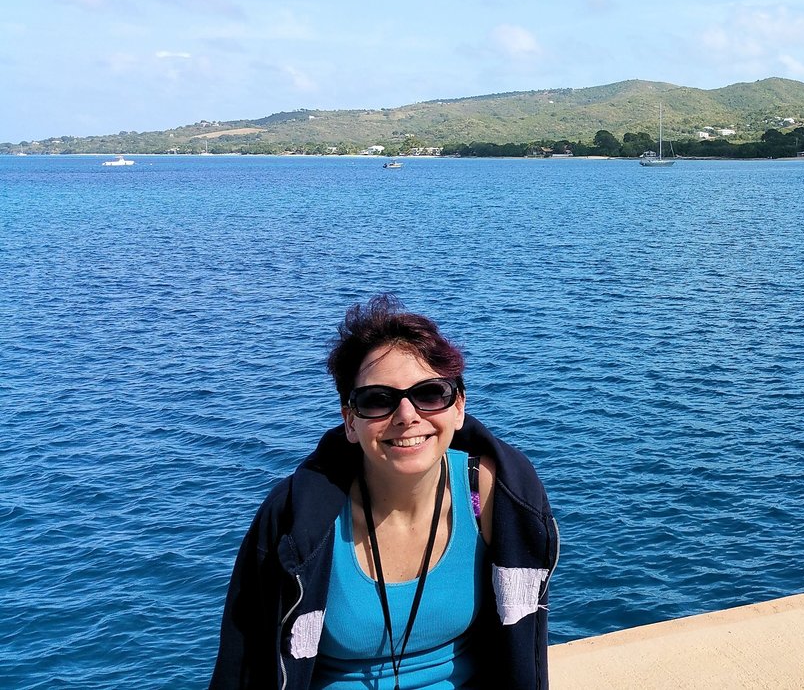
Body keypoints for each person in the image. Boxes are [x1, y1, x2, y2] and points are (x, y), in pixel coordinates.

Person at [211, 295, 558, 690]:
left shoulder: (495, 497)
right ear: (349, 421)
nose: (407, 416)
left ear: (458, 407)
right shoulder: (297, 521)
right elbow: (244, 665)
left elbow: (523, 651)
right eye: (378, 400)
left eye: (430, 394)